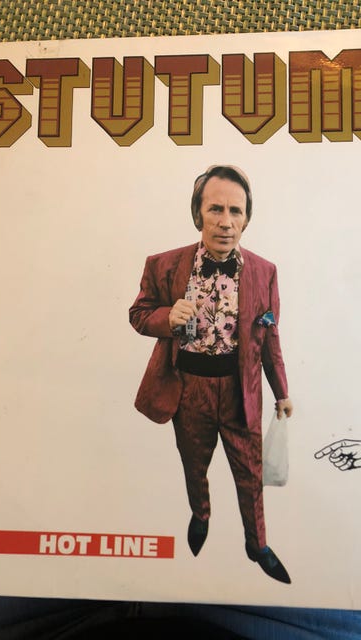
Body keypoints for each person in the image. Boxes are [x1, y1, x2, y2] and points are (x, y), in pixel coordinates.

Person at [129, 165, 293, 584]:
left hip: (241, 391)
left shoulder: (265, 272)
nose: (226, 221)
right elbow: (139, 314)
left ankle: (257, 545)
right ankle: (200, 516)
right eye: (215, 209)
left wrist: (282, 392)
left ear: (247, 218)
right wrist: (167, 317)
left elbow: (270, 336)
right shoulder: (164, 265)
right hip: (188, 388)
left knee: (250, 475)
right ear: (197, 213)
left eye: (235, 211)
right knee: (194, 464)